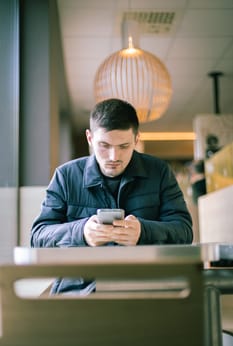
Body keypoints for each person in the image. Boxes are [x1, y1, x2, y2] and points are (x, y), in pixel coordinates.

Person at [31, 98, 193, 294]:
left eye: (124, 146)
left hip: (146, 286)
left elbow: (184, 231)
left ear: (136, 139)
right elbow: (38, 237)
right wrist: (81, 232)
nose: (113, 156)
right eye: (104, 145)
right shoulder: (66, 176)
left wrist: (143, 232)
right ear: (90, 138)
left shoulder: (159, 172)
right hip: (79, 290)